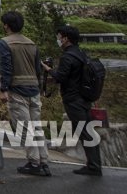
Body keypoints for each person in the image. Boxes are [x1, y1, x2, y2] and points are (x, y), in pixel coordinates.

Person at [43, 25, 102, 176]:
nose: (58, 40)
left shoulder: (68, 56)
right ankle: (94, 163)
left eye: (59, 37)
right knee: (89, 131)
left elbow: (61, 77)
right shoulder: (81, 53)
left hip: (73, 99)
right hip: (84, 97)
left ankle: (94, 166)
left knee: (84, 132)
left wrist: (48, 69)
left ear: (66, 38)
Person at [0, 10, 50, 177]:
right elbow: (37, 69)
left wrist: (4, 89)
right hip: (33, 89)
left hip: (17, 90)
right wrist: (40, 88)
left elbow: (6, 68)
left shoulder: (4, 43)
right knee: (36, 126)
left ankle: (34, 162)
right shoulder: (31, 43)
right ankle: (44, 161)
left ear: (6, 25)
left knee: (25, 128)